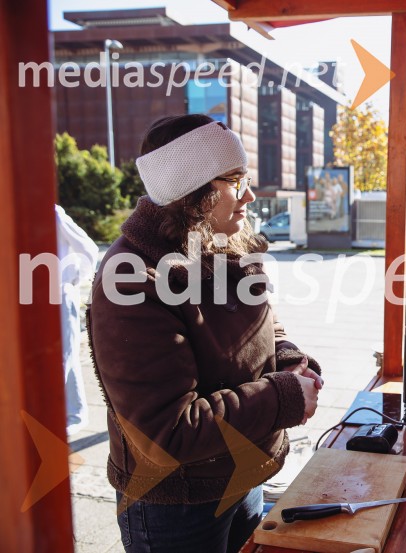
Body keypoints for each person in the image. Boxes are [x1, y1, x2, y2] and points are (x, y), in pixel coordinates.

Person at [87, 114, 323, 553]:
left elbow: (263, 323)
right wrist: (283, 396)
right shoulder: (132, 278)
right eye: (234, 181)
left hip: (243, 473)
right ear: (189, 192)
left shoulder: (219, 240)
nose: (250, 195)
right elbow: (166, 434)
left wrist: (288, 357)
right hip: (177, 504)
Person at [55, 204, 99, 436]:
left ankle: (70, 413)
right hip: (30, 294)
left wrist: (72, 278)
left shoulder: (52, 213)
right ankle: (75, 412)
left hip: (58, 293)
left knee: (66, 353)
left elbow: (88, 249)